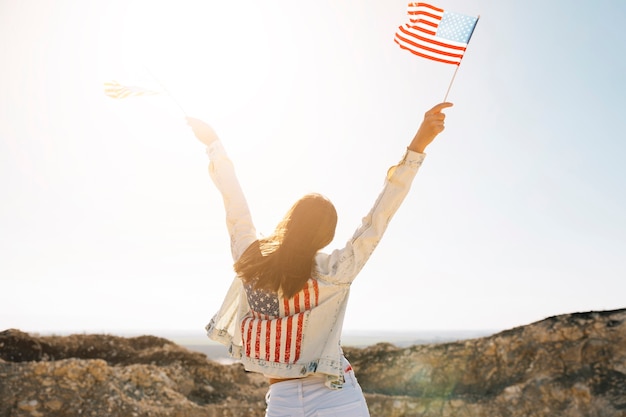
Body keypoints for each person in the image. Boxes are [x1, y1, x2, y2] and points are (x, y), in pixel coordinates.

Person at [187, 101, 453, 417]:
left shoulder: (251, 259)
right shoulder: (335, 270)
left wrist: (214, 146)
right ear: (326, 236)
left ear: (289, 221)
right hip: (335, 397)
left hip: (284, 399)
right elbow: (377, 220)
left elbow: (236, 207)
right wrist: (417, 147)